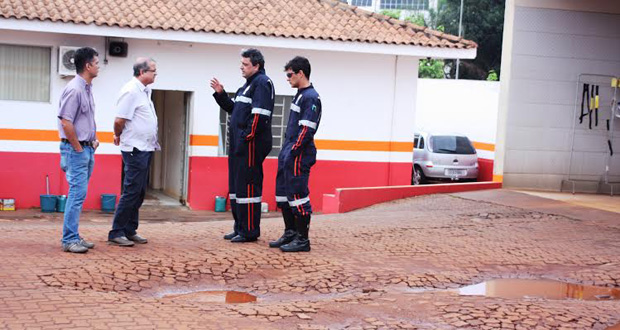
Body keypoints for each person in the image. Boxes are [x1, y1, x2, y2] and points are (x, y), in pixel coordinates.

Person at [210, 48, 274, 243]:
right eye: (241, 64)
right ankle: (239, 228)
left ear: (257, 66)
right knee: (236, 188)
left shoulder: (263, 83)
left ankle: (249, 231)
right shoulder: (245, 86)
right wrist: (221, 94)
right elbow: (233, 109)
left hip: (250, 145)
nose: (241, 67)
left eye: (245, 64)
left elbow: (260, 115)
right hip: (239, 145)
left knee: (248, 188)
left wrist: (247, 137)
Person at [270, 56, 321, 252]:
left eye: (290, 74)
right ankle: (290, 233)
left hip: (299, 153)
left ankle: (302, 240)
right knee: (283, 194)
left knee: (298, 195)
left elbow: (306, 130)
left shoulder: (311, 97)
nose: (288, 78)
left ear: (301, 73)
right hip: (289, 150)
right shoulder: (300, 94)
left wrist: (292, 152)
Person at [107, 57, 160, 247]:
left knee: (139, 192)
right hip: (134, 149)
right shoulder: (130, 91)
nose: (156, 73)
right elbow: (119, 120)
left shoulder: (145, 91)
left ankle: (130, 230)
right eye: (153, 70)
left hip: (146, 147)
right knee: (131, 191)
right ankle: (116, 232)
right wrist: (117, 135)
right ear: (142, 72)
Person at [57, 47, 100, 253]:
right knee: (76, 194)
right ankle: (69, 239)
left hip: (86, 149)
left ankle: (73, 235)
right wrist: (78, 148)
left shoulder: (86, 88)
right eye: (97, 63)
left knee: (79, 195)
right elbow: (66, 122)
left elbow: (85, 119)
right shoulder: (74, 89)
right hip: (77, 150)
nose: (99, 66)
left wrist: (93, 139)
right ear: (87, 65)